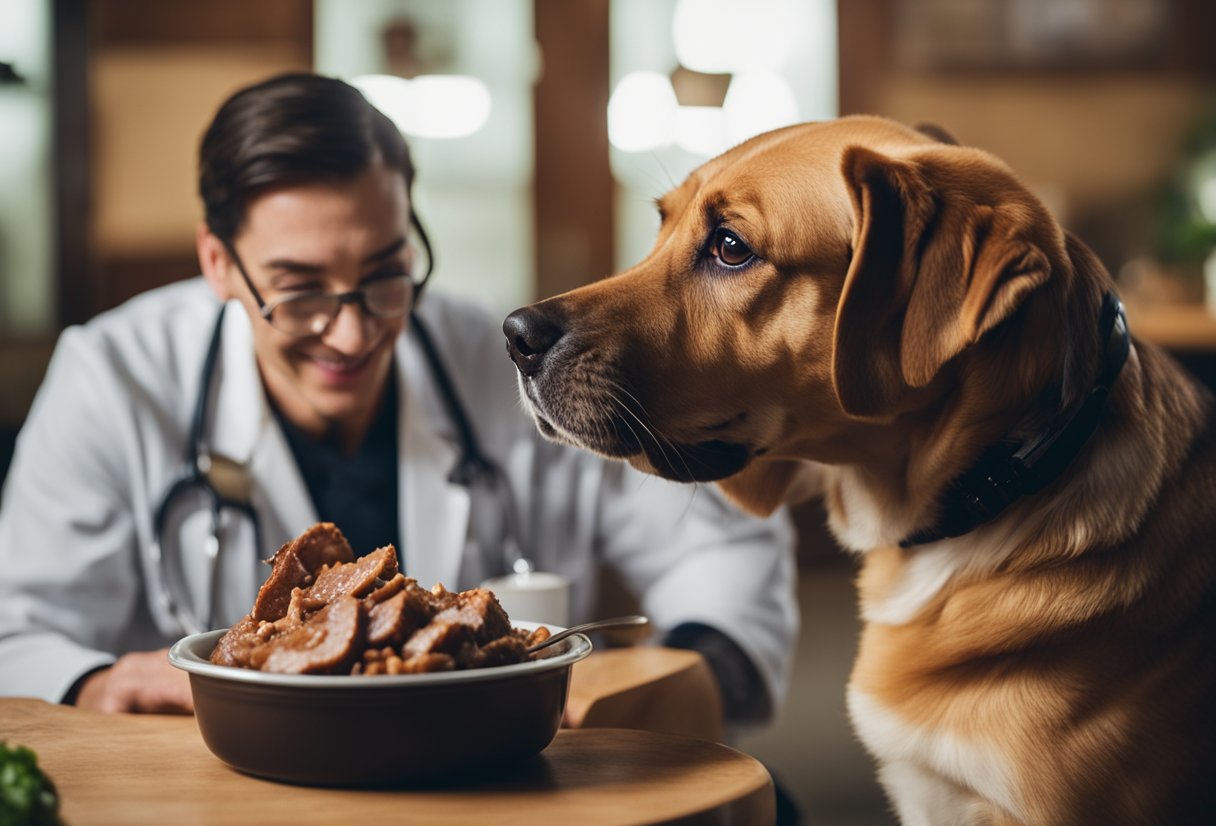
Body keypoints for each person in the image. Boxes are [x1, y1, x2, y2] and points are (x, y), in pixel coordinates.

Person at [0, 73, 797, 727]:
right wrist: (93, 683)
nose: (351, 336)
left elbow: (722, 539)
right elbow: (20, 632)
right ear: (218, 263)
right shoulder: (112, 377)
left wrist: (699, 669)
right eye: (300, 292)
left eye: (385, 275)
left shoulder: (496, 356)